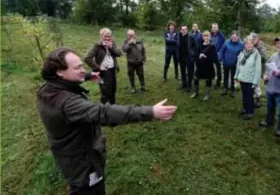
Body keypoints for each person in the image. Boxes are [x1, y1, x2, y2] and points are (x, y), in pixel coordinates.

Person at [37, 47, 177, 195]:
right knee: (89, 190)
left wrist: (88, 76)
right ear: (59, 71)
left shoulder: (48, 89)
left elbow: (68, 80)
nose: (83, 69)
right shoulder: (67, 103)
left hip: (68, 156)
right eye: (78, 67)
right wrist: (151, 112)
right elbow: (103, 113)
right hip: (83, 163)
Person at [84, 28, 122, 105]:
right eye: (105, 36)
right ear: (101, 36)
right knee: (105, 91)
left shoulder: (112, 43)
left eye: (109, 36)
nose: (107, 38)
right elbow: (87, 58)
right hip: (103, 72)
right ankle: (103, 106)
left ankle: (113, 105)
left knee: (113, 88)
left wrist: (111, 47)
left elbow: (119, 54)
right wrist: (98, 67)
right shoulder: (97, 46)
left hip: (112, 70)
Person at [234, 36, 262, 120]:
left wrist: (255, 82)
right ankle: (245, 108)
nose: (249, 45)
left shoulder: (256, 54)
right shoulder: (242, 53)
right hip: (242, 78)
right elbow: (238, 66)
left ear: (253, 44)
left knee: (249, 96)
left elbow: (258, 69)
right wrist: (236, 77)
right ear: (244, 45)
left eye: (251, 43)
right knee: (244, 95)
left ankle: (250, 112)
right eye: (247, 44)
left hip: (251, 80)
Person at [190, 31, 217, 100]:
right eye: (204, 36)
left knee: (208, 80)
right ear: (203, 37)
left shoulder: (212, 46)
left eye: (207, 36)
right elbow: (197, 55)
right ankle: (196, 93)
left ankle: (207, 95)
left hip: (208, 66)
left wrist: (205, 56)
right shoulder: (200, 45)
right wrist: (198, 58)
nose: (206, 37)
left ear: (210, 37)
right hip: (200, 66)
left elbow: (214, 58)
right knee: (196, 78)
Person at [219, 31, 244, 97]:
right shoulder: (226, 42)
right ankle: (225, 88)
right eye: (233, 37)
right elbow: (222, 51)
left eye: (235, 37)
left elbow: (244, 53)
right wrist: (220, 58)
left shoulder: (241, 44)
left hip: (235, 64)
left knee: (234, 77)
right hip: (226, 63)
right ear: (231, 37)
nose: (234, 38)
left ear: (238, 37)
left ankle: (233, 89)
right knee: (225, 76)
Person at [250, 32, 268, 108]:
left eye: (253, 39)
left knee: (256, 84)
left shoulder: (261, 46)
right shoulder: (250, 45)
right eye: (251, 39)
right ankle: (252, 98)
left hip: (260, 68)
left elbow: (264, 57)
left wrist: (254, 55)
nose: (252, 40)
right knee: (252, 83)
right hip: (252, 68)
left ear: (257, 39)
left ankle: (258, 100)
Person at [178, 24, 197, 92]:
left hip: (189, 58)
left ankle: (189, 86)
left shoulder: (191, 37)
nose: (184, 31)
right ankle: (184, 84)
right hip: (181, 58)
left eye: (185, 29)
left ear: (187, 30)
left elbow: (195, 47)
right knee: (183, 72)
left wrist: (193, 55)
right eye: (183, 30)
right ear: (180, 30)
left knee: (190, 73)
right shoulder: (178, 37)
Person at [210, 23, 225, 89]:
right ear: (212, 28)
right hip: (210, 54)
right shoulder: (210, 34)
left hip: (218, 55)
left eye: (215, 27)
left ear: (218, 28)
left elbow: (223, 46)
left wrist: (219, 53)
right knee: (210, 68)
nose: (214, 28)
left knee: (218, 69)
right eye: (213, 27)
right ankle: (210, 81)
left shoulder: (221, 36)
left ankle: (218, 83)